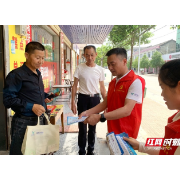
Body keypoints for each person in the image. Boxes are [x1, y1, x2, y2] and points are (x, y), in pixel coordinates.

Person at [79, 48, 145, 139]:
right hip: (112, 131)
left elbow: (127, 110)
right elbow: (105, 103)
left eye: (113, 64)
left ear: (124, 61)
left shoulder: (136, 81)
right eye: (108, 64)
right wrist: (87, 112)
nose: (110, 68)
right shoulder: (113, 82)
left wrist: (100, 117)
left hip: (126, 133)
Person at [3, 41, 54, 155]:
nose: (41, 61)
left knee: (37, 152)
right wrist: (32, 107)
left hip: (39, 121)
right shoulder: (16, 75)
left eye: (42, 58)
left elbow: (31, 93)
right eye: (37, 58)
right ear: (27, 55)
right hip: (23, 123)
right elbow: (8, 100)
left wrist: (45, 97)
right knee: (21, 152)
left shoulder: (38, 73)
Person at [123, 59, 180, 155]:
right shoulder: (176, 118)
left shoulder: (177, 129)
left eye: (163, 88)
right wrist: (141, 145)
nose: (162, 94)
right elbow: (168, 147)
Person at [71, 45, 106, 155]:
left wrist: (107, 104)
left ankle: (90, 150)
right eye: (87, 55)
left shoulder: (100, 70)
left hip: (95, 100)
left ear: (96, 55)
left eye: (92, 55)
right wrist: (72, 101)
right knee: (82, 127)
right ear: (84, 55)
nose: (90, 57)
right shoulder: (80, 68)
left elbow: (102, 88)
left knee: (92, 126)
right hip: (82, 99)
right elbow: (74, 85)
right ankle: (81, 151)